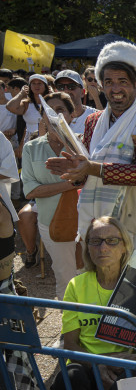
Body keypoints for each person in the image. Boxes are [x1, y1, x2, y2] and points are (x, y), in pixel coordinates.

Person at [45, 41, 136, 253]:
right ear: (101, 85)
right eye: (108, 82)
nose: (115, 88)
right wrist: (76, 170)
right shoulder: (93, 121)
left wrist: (92, 168)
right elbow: (87, 175)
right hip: (97, 221)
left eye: (122, 81)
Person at [49, 217, 136, 390]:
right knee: (67, 379)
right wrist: (96, 366)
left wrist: (121, 363)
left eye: (111, 241)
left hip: (125, 368)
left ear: (124, 247)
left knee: (128, 389)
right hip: (88, 368)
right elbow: (71, 344)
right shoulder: (77, 285)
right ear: (87, 247)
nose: (103, 248)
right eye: (95, 241)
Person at [22, 92, 80, 299]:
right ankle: (70, 326)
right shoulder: (31, 148)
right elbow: (30, 190)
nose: (54, 116)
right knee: (65, 275)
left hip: (85, 220)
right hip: (50, 222)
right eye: (49, 112)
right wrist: (71, 184)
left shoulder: (82, 145)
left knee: (89, 273)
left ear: (72, 115)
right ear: (42, 118)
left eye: (60, 110)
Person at [53, 70, 96, 136]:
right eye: (60, 87)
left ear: (82, 92)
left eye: (71, 86)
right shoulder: (50, 118)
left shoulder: (95, 118)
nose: (66, 90)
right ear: (55, 92)